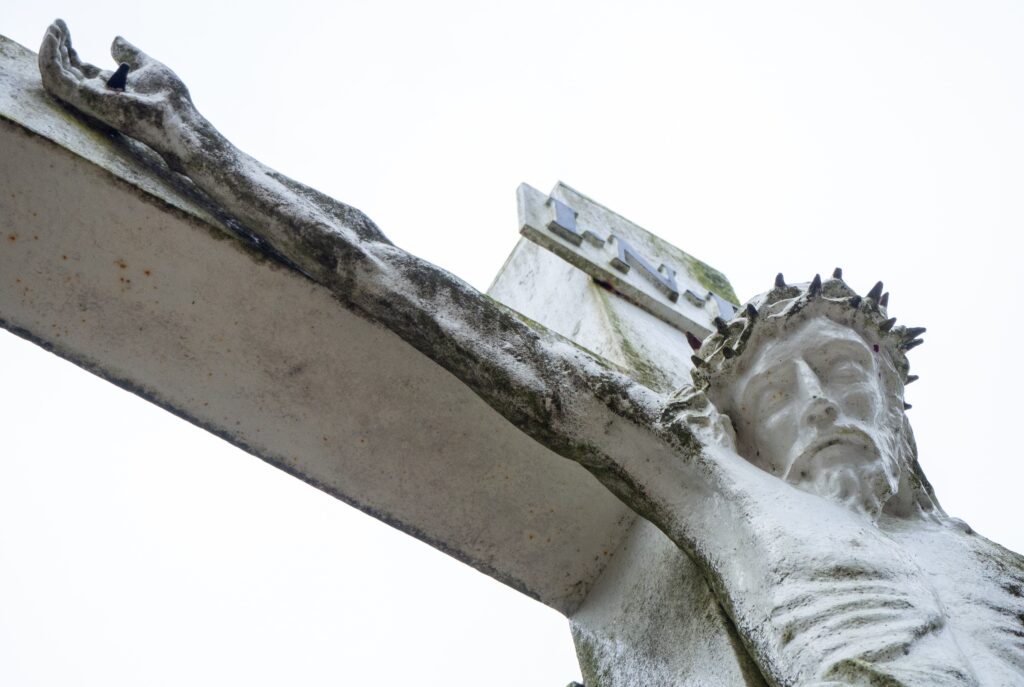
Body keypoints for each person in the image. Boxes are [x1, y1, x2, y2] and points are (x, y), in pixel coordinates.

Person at [38, 21, 1024, 684]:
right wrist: (199, 147)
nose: (814, 403)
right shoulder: (723, 485)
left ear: (897, 395)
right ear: (734, 425)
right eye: (773, 387)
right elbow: (390, 280)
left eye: (844, 372)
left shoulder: (999, 572)